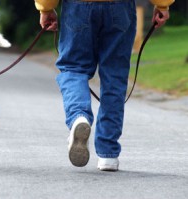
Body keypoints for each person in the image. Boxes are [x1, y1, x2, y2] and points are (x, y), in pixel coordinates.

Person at [35, 0, 174, 171]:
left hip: (78, 7)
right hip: (120, 7)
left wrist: (46, 7)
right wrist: (162, 4)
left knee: (74, 68)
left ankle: (79, 117)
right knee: (115, 76)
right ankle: (108, 154)